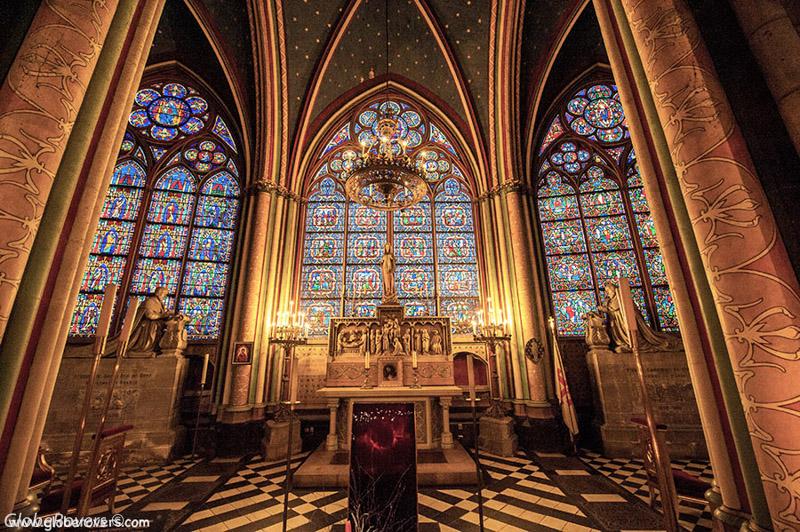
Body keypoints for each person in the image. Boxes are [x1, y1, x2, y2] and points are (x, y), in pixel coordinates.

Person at [128, 286, 183, 353]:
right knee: (147, 345)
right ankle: (144, 350)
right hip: (147, 328)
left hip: (157, 327)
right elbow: (150, 315)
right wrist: (164, 315)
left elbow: (161, 316)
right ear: (158, 293)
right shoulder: (150, 301)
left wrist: (170, 316)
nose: (164, 297)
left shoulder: (159, 303)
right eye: (164, 294)